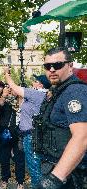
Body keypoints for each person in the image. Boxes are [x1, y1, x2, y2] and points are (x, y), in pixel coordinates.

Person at [34, 47, 87, 189]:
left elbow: (82, 137)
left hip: (71, 176)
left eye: (57, 65)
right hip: (57, 169)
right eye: (47, 66)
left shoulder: (75, 91)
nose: (51, 69)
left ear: (70, 65)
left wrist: (55, 178)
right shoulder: (58, 90)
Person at [4, 68, 51, 188]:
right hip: (32, 134)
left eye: (35, 81)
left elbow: (14, 87)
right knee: (36, 164)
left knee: (34, 165)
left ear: (41, 84)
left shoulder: (36, 93)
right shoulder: (43, 95)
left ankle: (37, 186)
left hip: (31, 135)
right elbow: (23, 107)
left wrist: (6, 74)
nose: (33, 82)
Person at [0, 85, 25, 189]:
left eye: (13, 89)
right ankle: (4, 180)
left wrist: (20, 95)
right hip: (5, 135)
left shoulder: (22, 101)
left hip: (19, 134)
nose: (11, 91)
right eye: (10, 89)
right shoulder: (4, 102)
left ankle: (20, 182)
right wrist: (4, 95)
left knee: (19, 159)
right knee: (4, 159)